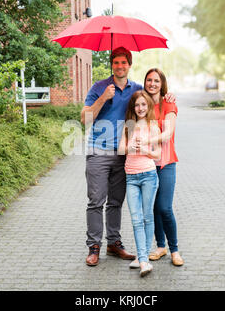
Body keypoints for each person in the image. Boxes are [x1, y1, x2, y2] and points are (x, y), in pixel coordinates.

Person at [81, 47, 175, 267]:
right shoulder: (99, 88)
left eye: (124, 62)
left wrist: (168, 95)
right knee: (96, 201)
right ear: (111, 64)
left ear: (129, 65)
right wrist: (104, 98)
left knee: (116, 202)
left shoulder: (137, 89)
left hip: (125, 156)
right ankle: (94, 247)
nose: (120, 66)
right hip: (99, 151)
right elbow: (84, 119)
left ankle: (113, 243)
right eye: (116, 62)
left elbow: (154, 98)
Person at [138, 68, 184, 266]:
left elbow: (168, 133)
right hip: (148, 163)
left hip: (166, 163)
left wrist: (147, 139)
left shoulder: (169, 103)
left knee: (164, 207)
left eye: (156, 80)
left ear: (162, 83)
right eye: (149, 80)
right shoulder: (143, 104)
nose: (152, 84)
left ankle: (174, 249)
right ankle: (160, 246)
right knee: (153, 208)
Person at [117, 90, 161, 277]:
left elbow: (157, 155)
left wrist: (144, 149)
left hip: (149, 176)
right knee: (136, 219)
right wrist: (129, 147)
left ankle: (143, 259)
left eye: (144, 104)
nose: (140, 108)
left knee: (147, 217)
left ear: (148, 106)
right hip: (131, 177)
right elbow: (120, 150)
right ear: (133, 107)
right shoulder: (129, 125)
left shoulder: (153, 126)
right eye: (137, 105)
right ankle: (143, 258)